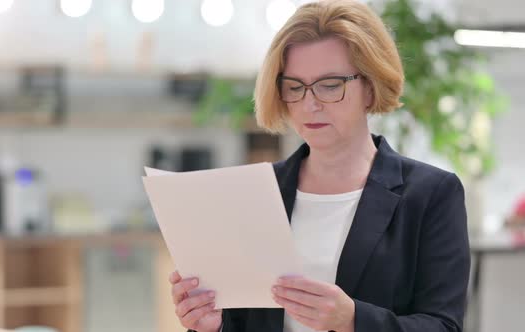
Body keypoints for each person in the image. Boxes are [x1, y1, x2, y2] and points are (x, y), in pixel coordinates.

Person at [169, 0, 470, 331]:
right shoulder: (257, 192)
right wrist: (213, 326)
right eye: (295, 87)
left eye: (329, 86)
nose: (310, 104)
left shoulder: (431, 194)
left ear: (370, 87)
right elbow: (242, 322)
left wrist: (353, 320)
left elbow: (443, 326)